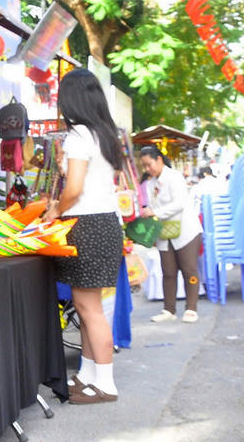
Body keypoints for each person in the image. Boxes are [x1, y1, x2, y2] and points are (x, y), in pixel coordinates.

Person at [41, 69, 124, 404]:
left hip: (86, 225)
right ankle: (89, 375)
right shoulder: (104, 133)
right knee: (85, 303)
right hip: (104, 223)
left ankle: (105, 384)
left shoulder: (78, 136)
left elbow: (74, 190)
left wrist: (54, 211)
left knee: (90, 309)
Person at [138, 146, 204, 323]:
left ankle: (191, 308)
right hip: (164, 232)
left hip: (186, 231)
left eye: (149, 164)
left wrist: (155, 212)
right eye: (144, 166)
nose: (147, 169)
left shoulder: (174, 177)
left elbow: (179, 204)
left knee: (189, 269)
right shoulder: (151, 183)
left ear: (159, 160)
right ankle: (169, 309)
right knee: (168, 271)